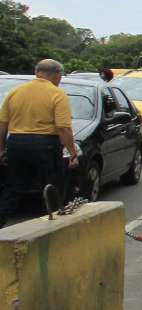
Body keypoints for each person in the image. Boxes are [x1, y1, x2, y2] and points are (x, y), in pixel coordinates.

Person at [0, 59, 78, 228]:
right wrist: (73, 153)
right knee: (51, 186)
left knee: (13, 186)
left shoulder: (15, 92)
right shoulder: (57, 94)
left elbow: (3, 124)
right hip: (45, 145)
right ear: (57, 75)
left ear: (37, 72)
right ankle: (51, 225)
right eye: (60, 76)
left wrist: (2, 148)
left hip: (16, 143)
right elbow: (63, 128)